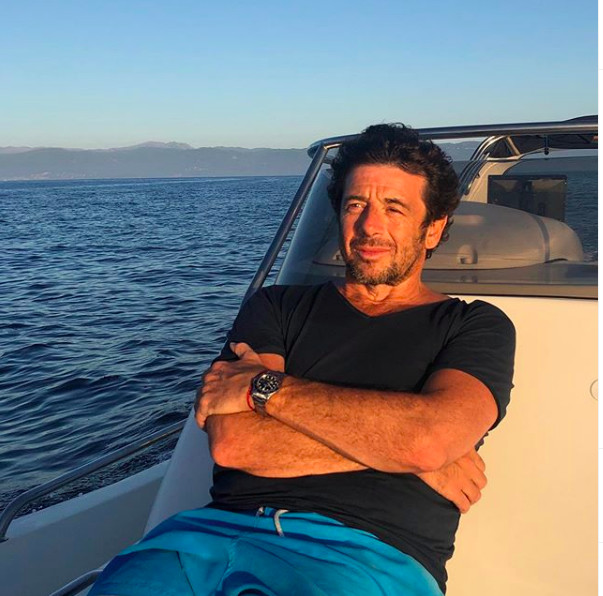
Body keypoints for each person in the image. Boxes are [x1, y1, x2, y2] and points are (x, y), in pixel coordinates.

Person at [90, 124, 515, 596]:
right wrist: (408, 457)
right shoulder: (275, 307)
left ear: (432, 228)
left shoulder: (474, 326)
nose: (370, 226)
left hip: (364, 557)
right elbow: (236, 445)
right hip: (208, 537)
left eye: (394, 208)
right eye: (355, 205)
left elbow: (428, 440)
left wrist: (265, 388)